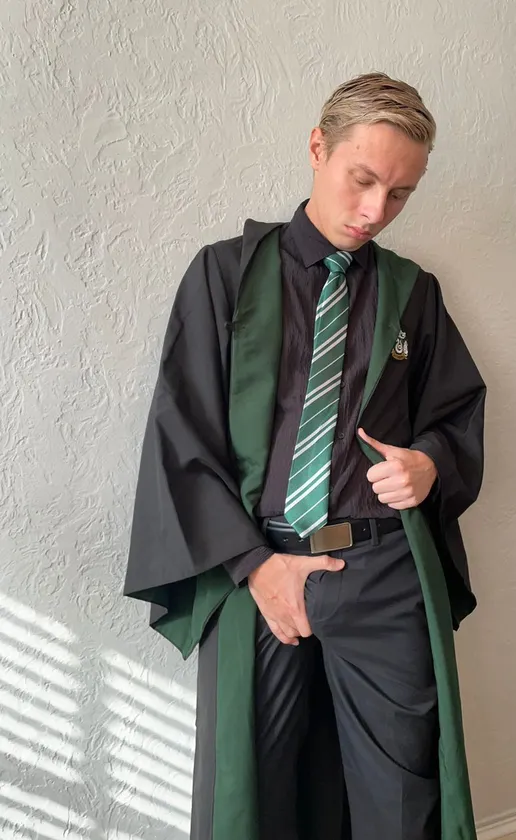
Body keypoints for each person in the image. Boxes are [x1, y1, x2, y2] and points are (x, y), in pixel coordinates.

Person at [124, 72, 486, 840]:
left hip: (382, 569)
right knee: (252, 794)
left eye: (400, 194)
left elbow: (454, 416)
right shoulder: (225, 276)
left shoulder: (411, 293)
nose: (375, 211)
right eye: (363, 179)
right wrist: (255, 566)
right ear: (318, 147)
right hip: (258, 569)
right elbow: (182, 434)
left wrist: (428, 463)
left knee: (403, 798)